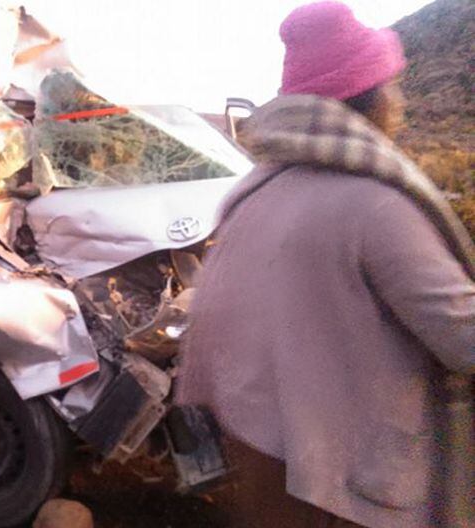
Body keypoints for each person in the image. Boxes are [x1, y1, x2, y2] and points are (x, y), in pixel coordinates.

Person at [175, 3, 475, 528]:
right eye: (393, 87)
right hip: (342, 480)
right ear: (369, 101)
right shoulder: (374, 206)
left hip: (260, 450)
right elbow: (463, 337)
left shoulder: (252, 195)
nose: (401, 101)